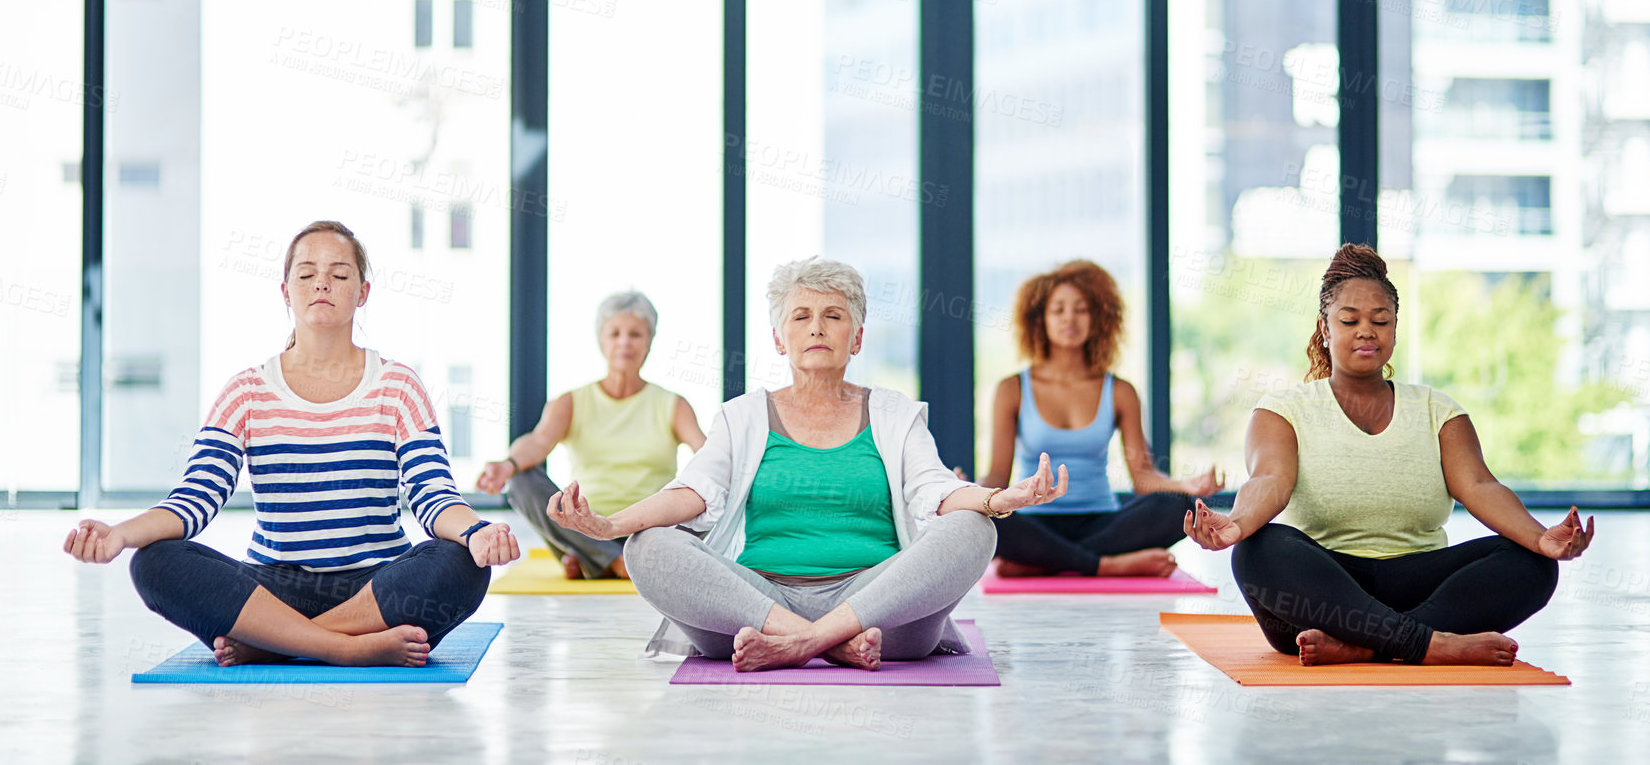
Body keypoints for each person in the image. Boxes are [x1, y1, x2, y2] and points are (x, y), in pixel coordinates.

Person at [545, 255, 1068, 671]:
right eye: (802, 317)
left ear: (856, 337)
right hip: (756, 602)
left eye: (833, 316)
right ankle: (830, 643)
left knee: (975, 529)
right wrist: (610, 525)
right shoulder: (742, 415)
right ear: (780, 339)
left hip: (878, 606)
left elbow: (935, 490)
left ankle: (805, 641)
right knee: (650, 545)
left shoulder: (894, 414)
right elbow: (691, 493)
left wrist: (1001, 500)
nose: (817, 327)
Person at [63, 220, 520, 667]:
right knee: (153, 563)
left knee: (461, 564)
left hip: (378, 588)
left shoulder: (399, 385)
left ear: (362, 292)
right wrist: (119, 534)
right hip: (273, 588)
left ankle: (275, 644)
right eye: (306, 274)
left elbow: (434, 496)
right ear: (286, 291)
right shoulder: (246, 391)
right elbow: (192, 501)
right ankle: (344, 647)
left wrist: (478, 532)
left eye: (339, 274)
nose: (322, 282)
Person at [1184, 243, 1594, 667]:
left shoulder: (1439, 411)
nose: (1367, 331)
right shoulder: (1283, 410)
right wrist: (1235, 524)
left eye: (1381, 321)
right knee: (1258, 549)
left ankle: (1368, 646)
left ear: (1395, 329)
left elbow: (1480, 485)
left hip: (1418, 584)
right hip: (1325, 595)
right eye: (1350, 320)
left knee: (1534, 564)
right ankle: (1429, 644)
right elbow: (1269, 480)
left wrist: (1539, 537)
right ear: (1324, 328)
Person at [982, 260, 1220, 577]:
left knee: (1177, 506)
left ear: (1098, 318)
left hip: (1103, 521)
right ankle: (1105, 565)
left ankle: (1042, 562)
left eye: (1081, 309)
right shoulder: (1011, 389)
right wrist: (966, 490)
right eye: (1059, 310)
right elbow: (997, 476)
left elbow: (1143, 477)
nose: (1070, 318)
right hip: (1034, 521)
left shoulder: (1120, 391)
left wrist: (1184, 485)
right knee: (981, 517)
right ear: (1040, 319)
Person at [474, 291, 705, 579]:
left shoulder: (673, 404)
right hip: (584, 526)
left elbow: (706, 454)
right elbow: (538, 441)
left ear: (649, 341)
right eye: (615, 333)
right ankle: (612, 560)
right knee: (521, 481)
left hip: (650, 529)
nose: (624, 342)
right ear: (601, 341)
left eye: (635, 334)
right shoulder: (571, 401)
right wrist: (507, 464)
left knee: (709, 489)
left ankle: (588, 561)